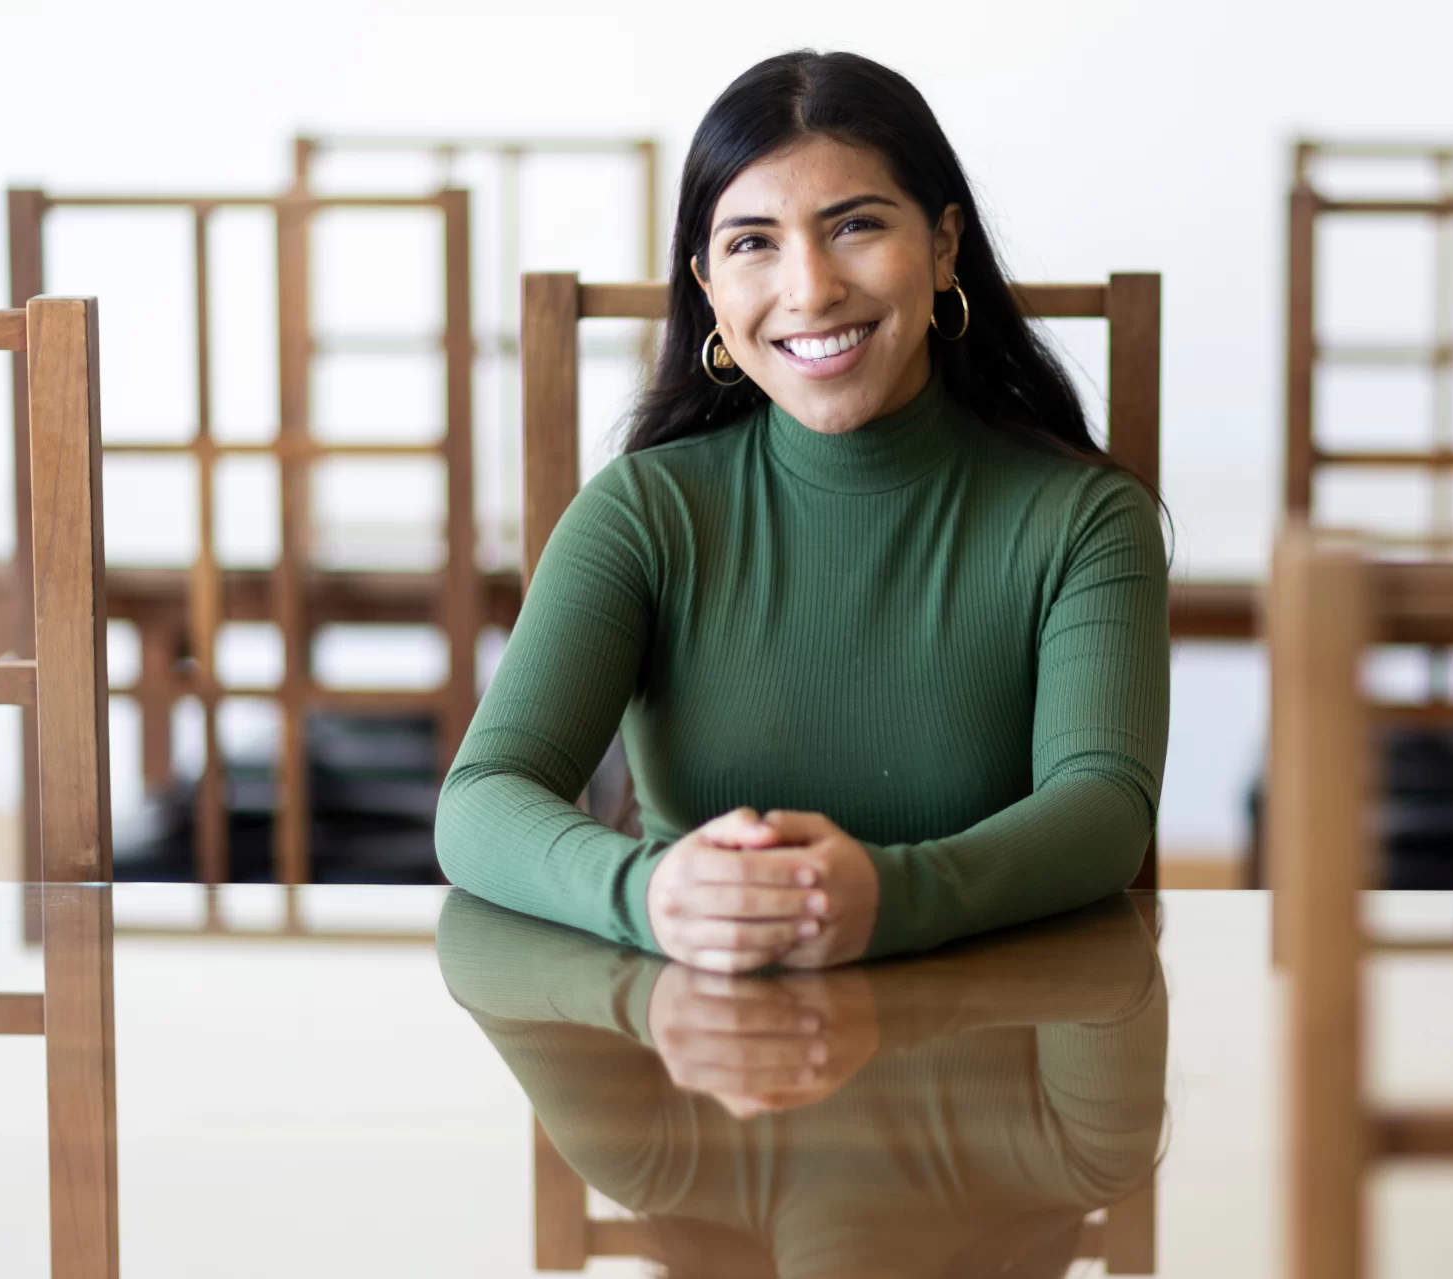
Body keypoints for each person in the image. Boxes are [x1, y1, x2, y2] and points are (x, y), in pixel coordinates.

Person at [436, 49, 1170, 972]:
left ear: (943, 248)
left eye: (854, 225)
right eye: (752, 242)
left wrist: (890, 897)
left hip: (993, 1046)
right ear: (708, 285)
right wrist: (649, 894)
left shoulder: (1083, 519)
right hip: (692, 1048)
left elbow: (1104, 808)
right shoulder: (643, 510)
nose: (810, 288)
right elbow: (479, 798)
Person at [436, 887, 1168, 1279]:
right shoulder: (1075, 1155)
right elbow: (1107, 969)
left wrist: (647, 894)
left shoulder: (653, 1159)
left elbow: (479, 963)